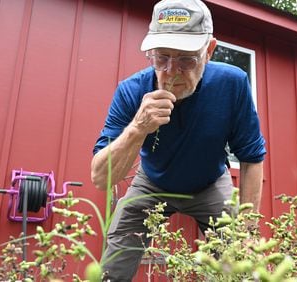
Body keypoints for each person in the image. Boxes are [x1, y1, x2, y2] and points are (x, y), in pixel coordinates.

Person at [91, 0, 266, 280]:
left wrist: (247, 230)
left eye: (186, 59)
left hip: (210, 182)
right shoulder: (132, 90)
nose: (172, 71)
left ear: (209, 51)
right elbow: (101, 178)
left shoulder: (231, 83)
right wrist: (138, 127)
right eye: (161, 58)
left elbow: (252, 157)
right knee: (117, 251)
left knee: (242, 262)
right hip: (152, 182)